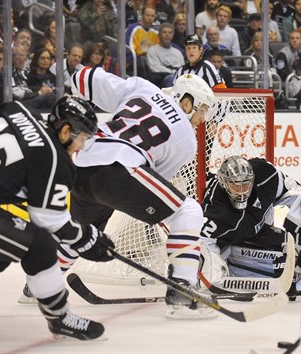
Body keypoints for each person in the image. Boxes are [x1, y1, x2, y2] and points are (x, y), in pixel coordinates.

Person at [0, 96, 114, 340]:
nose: (81, 146)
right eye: (83, 138)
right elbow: (49, 220)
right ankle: (60, 318)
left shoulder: (19, 111)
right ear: (66, 131)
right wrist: (87, 238)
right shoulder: (56, 161)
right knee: (40, 245)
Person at [63, 67, 216, 319]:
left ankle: (37, 286)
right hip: (121, 171)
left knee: (79, 231)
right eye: (202, 110)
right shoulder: (188, 141)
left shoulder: (143, 87)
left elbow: (83, 76)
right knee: (187, 211)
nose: (203, 119)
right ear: (186, 102)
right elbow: (153, 178)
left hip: (83, 162)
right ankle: (182, 293)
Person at [199, 156, 301, 285]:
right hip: (230, 241)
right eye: (235, 185)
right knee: (213, 264)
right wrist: (213, 274)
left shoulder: (266, 176)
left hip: (255, 226)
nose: (242, 190)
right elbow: (202, 241)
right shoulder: (216, 211)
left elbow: (297, 196)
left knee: (296, 245)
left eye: (246, 183)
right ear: (224, 182)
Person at [147, 23, 185, 88]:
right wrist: (173, 72)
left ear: (173, 35)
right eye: (164, 32)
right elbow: (155, 68)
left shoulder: (177, 52)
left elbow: (183, 68)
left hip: (179, 77)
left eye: (170, 32)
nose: (167, 34)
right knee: (172, 78)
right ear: (159, 35)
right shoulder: (152, 50)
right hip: (162, 79)